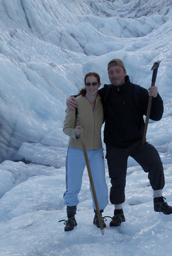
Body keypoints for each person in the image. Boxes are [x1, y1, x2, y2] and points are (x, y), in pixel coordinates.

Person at [67, 58, 172, 228]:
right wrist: (71, 98)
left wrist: (155, 97)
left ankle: (159, 200)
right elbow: (88, 95)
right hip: (115, 144)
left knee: (154, 162)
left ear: (124, 73)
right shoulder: (106, 93)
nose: (115, 75)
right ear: (108, 76)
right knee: (117, 179)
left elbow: (156, 114)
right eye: (111, 72)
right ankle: (118, 212)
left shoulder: (137, 92)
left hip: (137, 142)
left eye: (118, 71)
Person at [61, 72, 108, 231]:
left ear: (99, 85)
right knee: (73, 184)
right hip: (77, 149)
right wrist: (75, 131)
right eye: (88, 84)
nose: (91, 87)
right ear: (84, 85)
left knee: (99, 184)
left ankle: (98, 215)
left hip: (95, 150)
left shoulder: (103, 101)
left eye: (94, 84)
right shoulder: (75, 102)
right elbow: (66, 128)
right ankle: (71, 218)